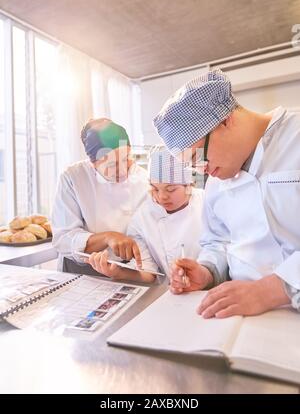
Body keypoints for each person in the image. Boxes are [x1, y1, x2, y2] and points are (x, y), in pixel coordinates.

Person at [153, 69, 300, 317]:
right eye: (191, 164)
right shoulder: (215, 181)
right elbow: (218, 241)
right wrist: (208, 271)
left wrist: (270, 291)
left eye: (198, 156)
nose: (202, 170)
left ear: (225, 120)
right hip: (241, 319)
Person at [84, 148, 205, 283]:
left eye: (171, 189)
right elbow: (148, 274)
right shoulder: (142, 219)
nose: (162, 196)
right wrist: (117, 272)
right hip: (169, 295)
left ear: (189, 184)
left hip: (211, 290)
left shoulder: (207, 204)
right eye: (155, 188)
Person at [52, 118, 149, 274]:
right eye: (112, 165)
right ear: (93, 163)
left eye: (126, 159)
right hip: (81, 269)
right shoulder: (73, 178)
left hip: (127, 269)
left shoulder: (145, 179)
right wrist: (107, 238)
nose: (123, 171)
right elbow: (63, 239)